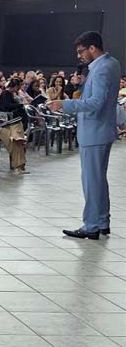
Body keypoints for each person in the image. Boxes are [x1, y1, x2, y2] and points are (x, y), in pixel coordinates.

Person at [47, 31, 121, 239]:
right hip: (102, 130)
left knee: (91, 181)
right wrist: (82, 86)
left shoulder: (101, 70)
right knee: (98, 179)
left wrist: (64, 104)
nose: (79, 56)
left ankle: (91, 226)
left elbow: (96, 103)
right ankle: (102, 221)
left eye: (81, 51)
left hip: (94, 131)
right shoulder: (111, 63)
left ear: (92, 48)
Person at [0, 79, 28, 175]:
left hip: (8, 122)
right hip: (1, 124)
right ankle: (20, 165)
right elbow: (5, 106)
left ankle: (17, 136)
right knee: (17, 142)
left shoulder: (10, 94)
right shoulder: (5, 94)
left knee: (18, 138)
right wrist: (18, 105)